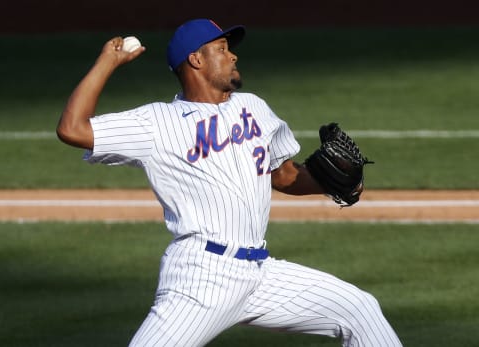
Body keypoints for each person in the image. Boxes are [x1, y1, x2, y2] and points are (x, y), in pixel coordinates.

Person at [57, 18, 402, 347]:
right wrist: (107, 62)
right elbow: (73, 129)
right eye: (221, 48)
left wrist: (336, 183)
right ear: (195, 60)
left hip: (259, 274)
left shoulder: (254, 108)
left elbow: (282, 175)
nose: (233, 54)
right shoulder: (157, 123)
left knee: (360, 310)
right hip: (202, 277)